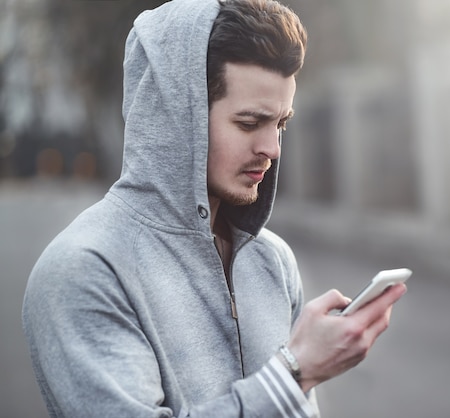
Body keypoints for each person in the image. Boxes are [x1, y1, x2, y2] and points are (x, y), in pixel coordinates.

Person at [22, 0, 407, 416]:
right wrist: (294, 373)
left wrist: (298, 377)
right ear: (175, 117)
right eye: (249, 123)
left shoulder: (273, 260)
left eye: (280, 124)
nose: (273, 149)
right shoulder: (84, 268)